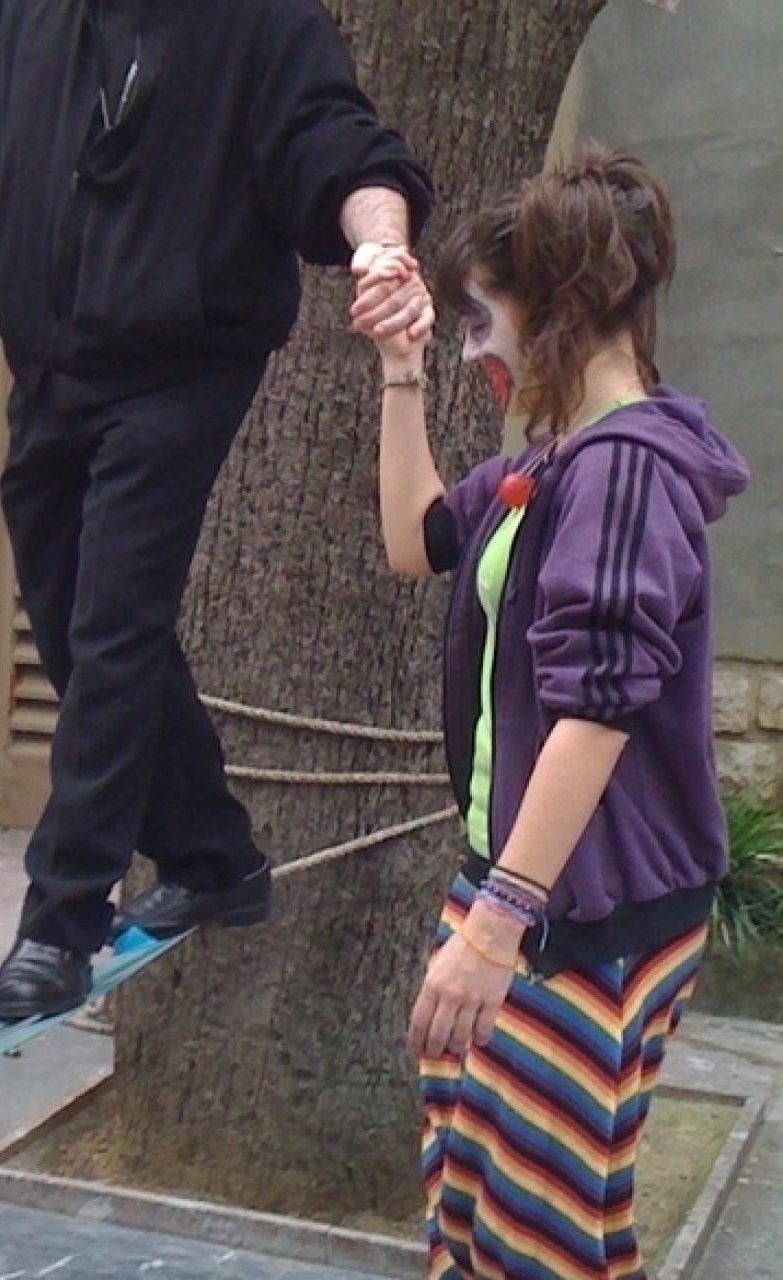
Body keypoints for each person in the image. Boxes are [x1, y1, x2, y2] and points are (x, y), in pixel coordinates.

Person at [0, 0, 435, 1020]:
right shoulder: (36, 14)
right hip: (50, 361)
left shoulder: (266, 25)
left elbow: (343, 150)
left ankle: (60, 917)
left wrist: (380, 247)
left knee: (113, 627)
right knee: (68, 623)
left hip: (182, 368)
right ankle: (211, 850)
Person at [362, 148, 749, 1280]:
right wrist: (400, 367)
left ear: (557, 308)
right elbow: (414, 540)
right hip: (518, 891)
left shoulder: (622, 472)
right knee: (479, 1203)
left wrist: (496, 927)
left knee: (535, 1237)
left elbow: (595, 711)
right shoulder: (557, 462)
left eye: (480, 321)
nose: (473, 349)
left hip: (582, 916)